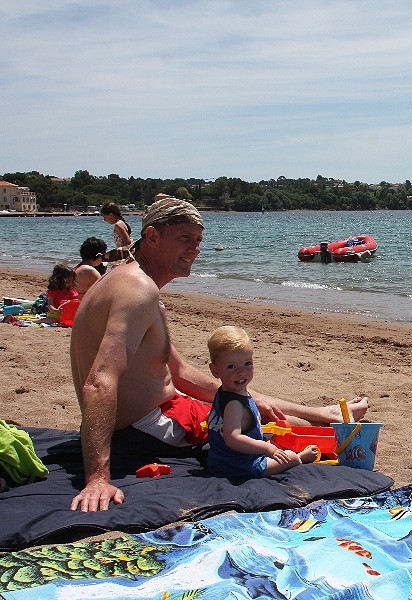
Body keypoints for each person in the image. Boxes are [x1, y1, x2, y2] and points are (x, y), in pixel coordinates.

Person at [69, 198, 368, 512]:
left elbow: (181, 373)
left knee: (244, 402)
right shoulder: (139, 291)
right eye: (185, 239)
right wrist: (98, 478)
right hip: (146, 428)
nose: (195, 249)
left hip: (157, 413)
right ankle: (324, 419)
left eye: (198, 240)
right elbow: (100, 381)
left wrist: (253, 401)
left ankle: (324, 414)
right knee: (253, 425)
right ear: (153, 236)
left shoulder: (127, 281)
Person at [206, 326, 319, 478]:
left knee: (273, 445)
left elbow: (212, 418)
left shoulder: (222, 393)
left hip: (217, 461)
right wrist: (267, 449)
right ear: (215, 370)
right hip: (239, 466)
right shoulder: (234, 405)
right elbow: (233, 439)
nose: (241, 372)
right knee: (289, 456)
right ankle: (300, 458)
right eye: (231, 366)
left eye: (247, 364)